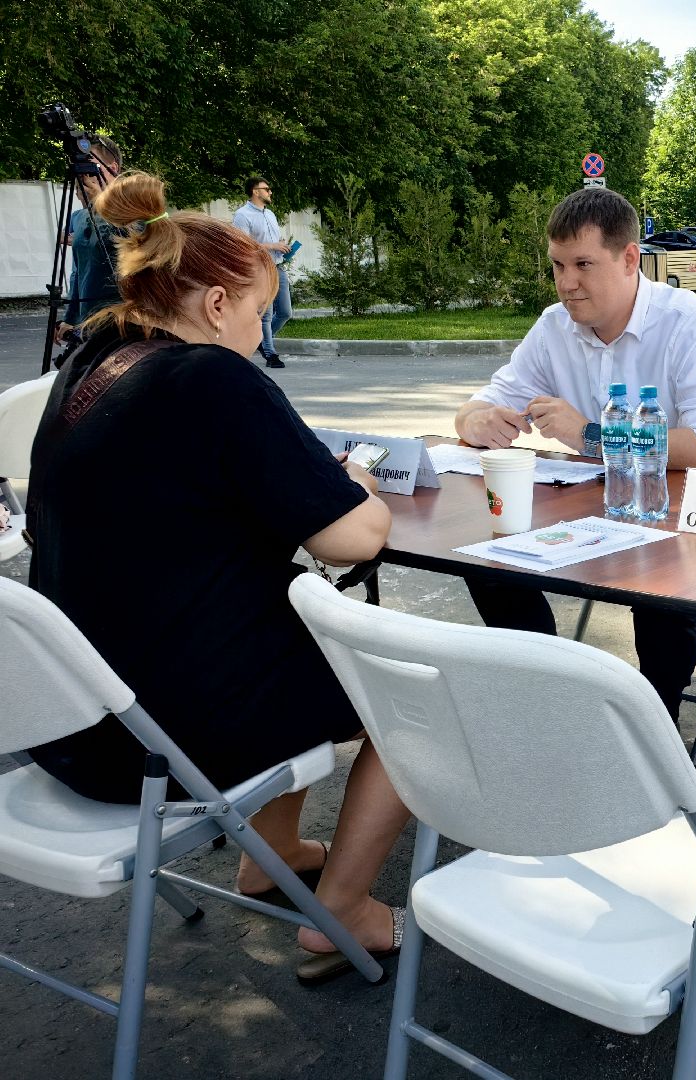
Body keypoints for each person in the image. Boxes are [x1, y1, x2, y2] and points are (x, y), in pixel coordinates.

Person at [25, 170, 411, 977]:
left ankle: (267, 856)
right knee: (412, 699)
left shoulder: (93, 360)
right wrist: (361, 486)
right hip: (161, 743)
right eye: (258, 309)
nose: (259, 329)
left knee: (284, 637)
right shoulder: (214, 377)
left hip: (66, 721)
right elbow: (355, 539)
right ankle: (341, 911)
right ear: (215, 304)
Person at [454, 187, 696, 719]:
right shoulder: (554, 326)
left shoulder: (689, 322)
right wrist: (477, 419)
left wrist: (593, 436)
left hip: (679, 513)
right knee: (490, 558)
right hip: (598, 505)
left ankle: (652, 725)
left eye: (583, 265)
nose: (567, 284)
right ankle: (552, 691)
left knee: (656, 588)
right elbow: (485, 400)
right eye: (557, 265)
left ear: (629, 258)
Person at [53, 136, 124, 352]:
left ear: (112, 168)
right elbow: (78, 271)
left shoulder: (133, 208)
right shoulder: (80, 217)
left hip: (122, 320)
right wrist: (70, 317)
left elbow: (127, 245)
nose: (85, 172)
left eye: (92, 164)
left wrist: (100, 203)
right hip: (87, 322)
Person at [232, 175, 291, 368]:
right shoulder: (242, 215)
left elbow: (271, 240)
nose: (270, 192)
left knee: (285, 312)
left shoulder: (270, 214)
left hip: (277, 267)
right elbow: (242, 245)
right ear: (256, 192)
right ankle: (270, 353)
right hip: (260, 269)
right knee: (266, 313)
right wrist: (272, 245)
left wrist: (280, 245)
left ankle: (261, 341)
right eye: (267, 189)